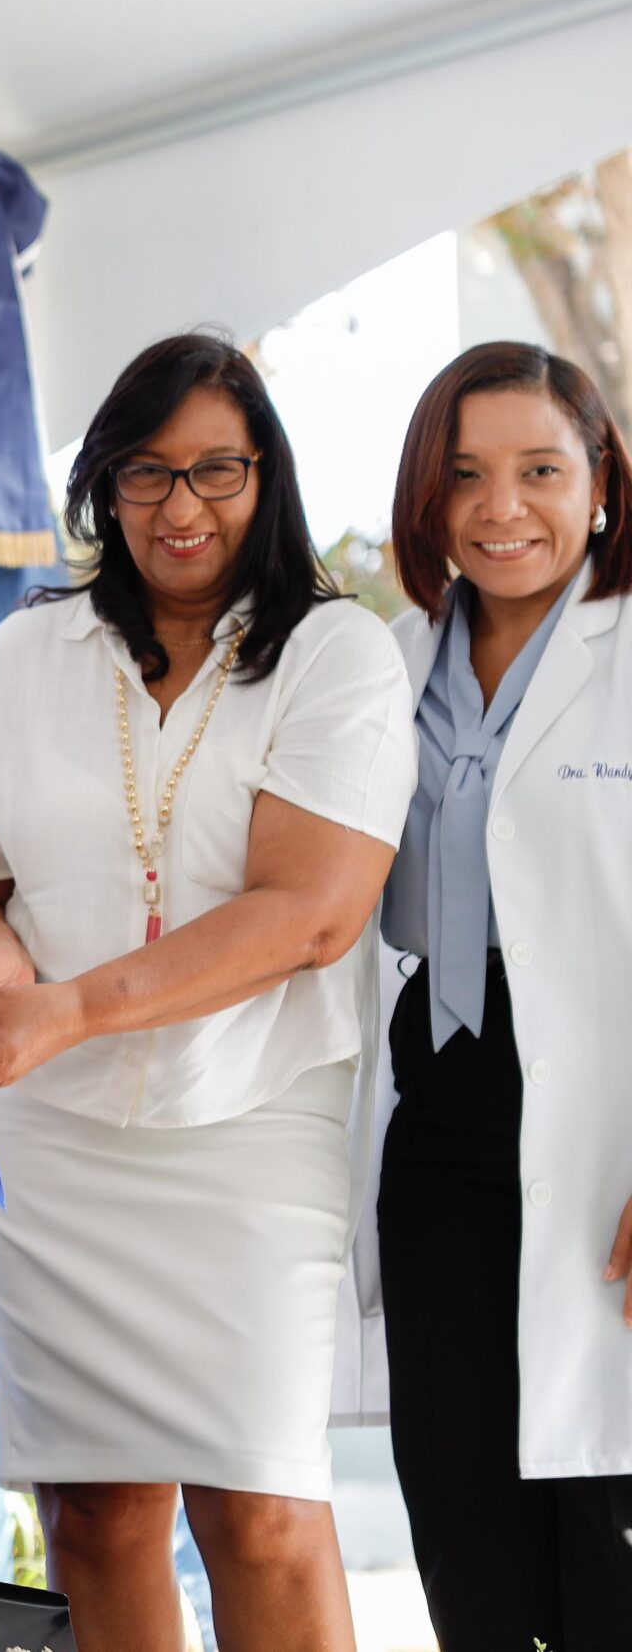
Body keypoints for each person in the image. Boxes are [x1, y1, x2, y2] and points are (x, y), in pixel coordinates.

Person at [0, 334, 416, 1652]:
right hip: (51, 1145)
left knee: (263, 1510)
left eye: (216, 471)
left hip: (254, 1126)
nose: (182, 507)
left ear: (266, 476)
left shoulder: (337, 654)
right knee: (98, 1518)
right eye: (147, 473)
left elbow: (310, 914)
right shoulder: (30, 654)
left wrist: (67, 1007)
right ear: (104, 486)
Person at [370, 342, 632, 1649]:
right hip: (443, 1114)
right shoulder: (386, 663)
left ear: (604, 488)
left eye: (540, 471)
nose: (500, 508)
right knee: (466, 1525)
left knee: (609, 1535)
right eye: (465, 475)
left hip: (606, 1120)